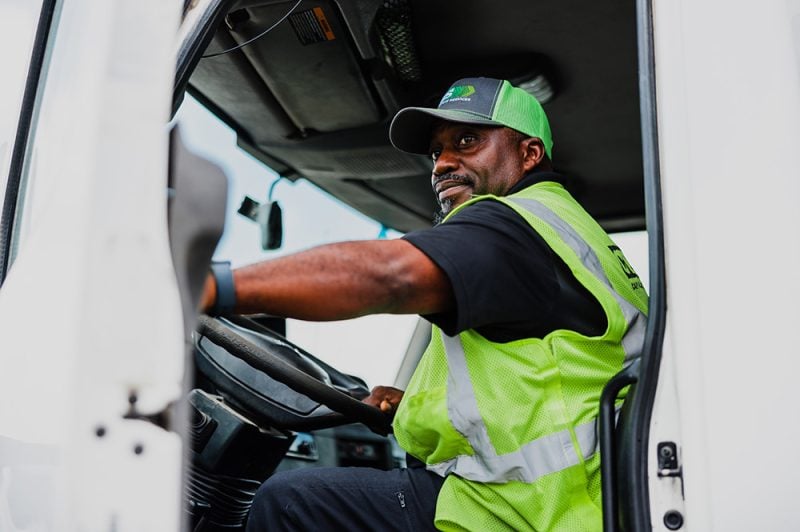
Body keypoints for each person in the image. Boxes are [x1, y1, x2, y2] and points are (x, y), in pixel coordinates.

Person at [201, 77, 648, 531]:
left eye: (467, 141)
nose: (443, 164)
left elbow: (389, 277)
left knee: (289, 504)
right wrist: (411, 406)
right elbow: (542, 387)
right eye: (437, 152)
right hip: (561, 505)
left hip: (523, 514)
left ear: (529, 154)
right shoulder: (567, 233)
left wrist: (210, 288)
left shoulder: (513, 224)